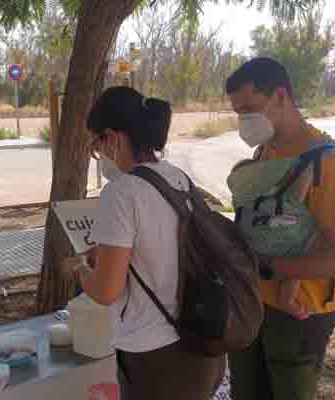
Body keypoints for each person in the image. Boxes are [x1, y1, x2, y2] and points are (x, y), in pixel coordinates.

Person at [64, 86, 225, 400]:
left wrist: (80, 269)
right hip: (202, 340)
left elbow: (106, 291)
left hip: (156, 358)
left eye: (96, 146)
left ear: (113, 137)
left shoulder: (121, 193)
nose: (100, 156)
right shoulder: (178, 178)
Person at [225, 58, 335, 400]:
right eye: (238, 112)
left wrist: (271, 266)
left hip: (301, 313)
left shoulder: (325, 164)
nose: (244, 120)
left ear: (281, 96)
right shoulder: (265, 152)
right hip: (257, 303)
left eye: (250, 109)